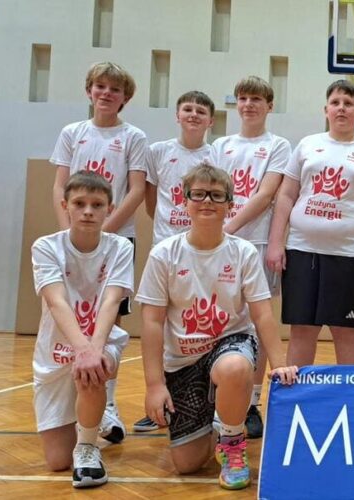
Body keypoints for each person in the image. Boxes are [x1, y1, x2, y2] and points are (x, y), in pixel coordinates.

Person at [136, 164, 298, 490]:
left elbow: (262, 314)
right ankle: (219, 416)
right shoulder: (164, 254)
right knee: (188, 464)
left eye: (216, 195)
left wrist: (280, 363)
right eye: (198, 194)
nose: (207, 201)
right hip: (183, 361)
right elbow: (152, 323)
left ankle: (233, 441)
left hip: (230, 343)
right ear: (185, 202)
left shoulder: (243, 252)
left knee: (235, 367)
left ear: (229, 205)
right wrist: (154, 385)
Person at [49, 61, 147, 444]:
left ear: (125, 98)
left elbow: (136, 191)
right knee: (73, 317)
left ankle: (107, 404)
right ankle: (68, 402)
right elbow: (60, 187)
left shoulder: (133, 136)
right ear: (89, 90)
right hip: (73, 241)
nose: (106, 93)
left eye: (114, 89)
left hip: (115, 241)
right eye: (100, 86)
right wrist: (70, 234)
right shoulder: (72, 133)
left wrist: (101, 233)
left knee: (110, 323)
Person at [266, 79, 354, 366]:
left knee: (348, 333)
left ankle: (351, 394)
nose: (341, 108)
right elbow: (286, 195)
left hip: (351, 255)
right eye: (335, 103)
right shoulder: (307, 145)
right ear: (326, 110)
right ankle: (299, 394)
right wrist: (275, 243)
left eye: (349, 104)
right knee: (302, 330)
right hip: (301, 251)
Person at [31, 171, 134, 488]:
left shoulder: (120, 247)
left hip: (102, 341)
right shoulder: (46, 247)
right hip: (55, 352)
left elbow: (112, 301)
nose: (88, 211)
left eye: (97, 204)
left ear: (109, 209)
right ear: (65, 206)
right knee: (57, 461)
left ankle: (88, 447)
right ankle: (93, 414)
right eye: (79, 203)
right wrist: (82, 348)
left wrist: (93, 350)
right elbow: (57, 301)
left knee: (93, 369)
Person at [133, 90, 217, 433]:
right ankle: (162, 401)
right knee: (163, 325)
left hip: (204, 250)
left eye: (201, 111)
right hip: (166, 248)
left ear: (211, 120)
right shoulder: (158, 151)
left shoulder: (216, 154)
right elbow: (152, 202)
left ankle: (207, 401)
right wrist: (170, 232)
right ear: (177, 115)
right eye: (188, 109)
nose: (193, 115)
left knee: (202, 321)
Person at [213, 76, 291, 438]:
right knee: (219, 317)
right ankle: (218, 396)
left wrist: (228, 227)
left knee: (259, 322)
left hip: (256, 242)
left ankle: (252, 402)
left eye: (256, 99)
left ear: (269, 106)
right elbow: (212, 189)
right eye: (243, 98)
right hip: (219, 244)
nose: (249, 104)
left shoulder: (278, 145)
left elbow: (265, 195)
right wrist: (216, 233)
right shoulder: (221, 145)